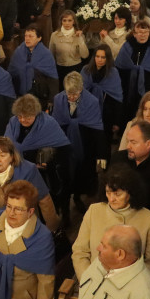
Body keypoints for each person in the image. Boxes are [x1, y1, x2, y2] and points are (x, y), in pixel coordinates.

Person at [0, 136, 59, 236]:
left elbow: (44, 199)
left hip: (21, 226)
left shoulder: (28, 170)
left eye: (2, 155)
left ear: (12, 157)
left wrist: (52, 227)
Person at [51, 73, 106, 209]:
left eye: (75, 94)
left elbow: (97, 128)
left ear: (81, 89)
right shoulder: (58, 99)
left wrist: (101, 154)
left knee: (81, 173)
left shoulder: (92, 101)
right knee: (64, 174)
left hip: (85, 143)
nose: (71, 97)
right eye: (68, 94)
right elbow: (54, 123)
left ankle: (77, 197)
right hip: (63, 143)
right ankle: (64, 208)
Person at [115, 20, 150, 119]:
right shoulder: (127, 46)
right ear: (134, 34)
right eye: (140, 32)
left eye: (145, 32)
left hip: (149, 87)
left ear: (149, 33)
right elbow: (120, 67)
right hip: (128, 87)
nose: (143, 35)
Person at [82, 43, 125, 137]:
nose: (99, 60)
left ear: (108, 58)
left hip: (107, 115)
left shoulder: (113, 73)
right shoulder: (85, 70)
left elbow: (117, 99)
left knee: (104, 144)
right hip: (88, 113)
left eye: (103, 57)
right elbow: (80, 93)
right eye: (97, 56)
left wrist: (117, 122)